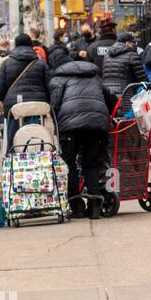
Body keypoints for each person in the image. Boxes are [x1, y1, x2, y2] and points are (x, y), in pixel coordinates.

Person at [48, 58, 114, 217]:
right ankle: (95, 207)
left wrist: (55, 123)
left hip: (70, 128)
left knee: (69, 163)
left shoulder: (58, 79)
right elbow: (110, 98)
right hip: (97, 124)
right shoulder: (95, 77)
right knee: (91, 163)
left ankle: (76, 206)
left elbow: (54, 104)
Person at [0, 34, 52, 146]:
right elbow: (49, 86)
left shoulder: (6, 63)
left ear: (15, 45)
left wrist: (2, 99)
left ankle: (13, 155)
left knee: (14, 137)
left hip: (14, 106)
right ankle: (36, 155)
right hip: (37, 106)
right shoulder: (40, 63)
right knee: (36, 135)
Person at [100, 32, 149, 100]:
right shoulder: (132, 55)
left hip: (106, 92)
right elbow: (142, 77)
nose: (135, 45)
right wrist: (150, 88)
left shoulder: (107, 55)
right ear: (127, 43)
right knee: (126, 110)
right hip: (125, 92)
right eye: (133, 43)